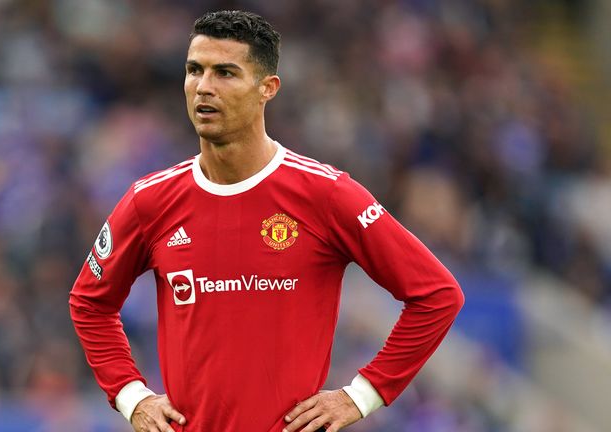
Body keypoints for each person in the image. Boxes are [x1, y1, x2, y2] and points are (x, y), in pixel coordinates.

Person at [69, 10, 464, 432]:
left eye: (225, 73)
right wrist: (132, 396)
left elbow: (437, 295)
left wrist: (361, 395)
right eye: (194, 70)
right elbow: (90, 302)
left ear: (267, 89)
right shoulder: (150, 201)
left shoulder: (326, 195)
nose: (204, 87)